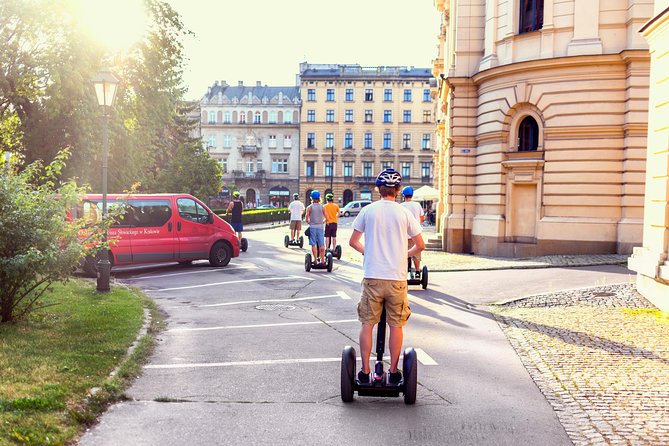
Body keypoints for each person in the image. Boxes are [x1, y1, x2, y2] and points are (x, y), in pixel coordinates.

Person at [349, 169, 425, 384]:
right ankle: (392, 372)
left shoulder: (368, 211)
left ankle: (364, 372)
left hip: (373, 276)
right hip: (397, 278)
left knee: (367, 323)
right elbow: (420, 245)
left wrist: (369, 252)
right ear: (398, 190)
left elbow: (353, 242)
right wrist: (404, 255)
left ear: (377, 190)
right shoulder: (405, 213)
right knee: (396, 325)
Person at [400, 186, 425, 277]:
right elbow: (422, 218)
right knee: (416, 253)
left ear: (403, 195)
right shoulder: (417, 205)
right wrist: (416, 223)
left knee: (404, 254)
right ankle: (418, 272)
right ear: (412, 195)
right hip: (416, 234)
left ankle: (404, 272)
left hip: (404, 235)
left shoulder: (401, 206)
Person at [305, 190, 326, 264]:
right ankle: (323, 260)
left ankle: (316, 260)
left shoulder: (309, 207)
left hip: (312, 227)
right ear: (319, 198)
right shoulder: (322, 207)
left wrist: (310, 222)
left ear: (311, 198)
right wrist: (322, 221)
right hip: (320, 227)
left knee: (313, 244)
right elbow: (327, 218)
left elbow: (306, 219)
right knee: (321, 244)